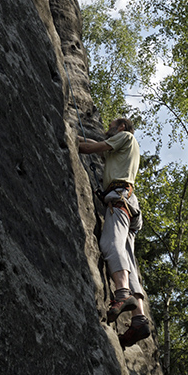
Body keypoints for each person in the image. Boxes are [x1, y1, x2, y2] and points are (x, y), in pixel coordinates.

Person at [78, 118, 150, 348]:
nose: (107, 129)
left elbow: (91, 147)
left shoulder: (125, 137)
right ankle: (139, 319)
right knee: (129, 260)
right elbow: (94, 144)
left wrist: (71, 139)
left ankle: (121, 294)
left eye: (111, 126)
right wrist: (81, 138)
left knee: (111, 244)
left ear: (121, 127)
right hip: (130, 202)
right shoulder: (122, 151)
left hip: (120, 199)